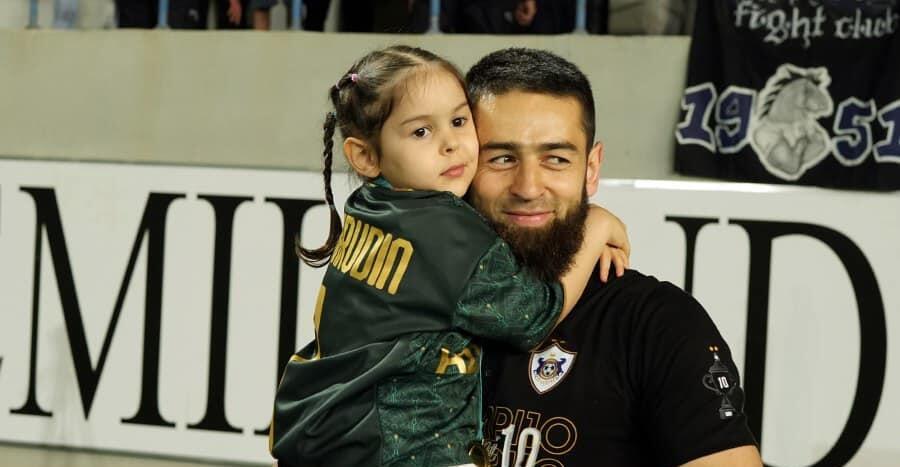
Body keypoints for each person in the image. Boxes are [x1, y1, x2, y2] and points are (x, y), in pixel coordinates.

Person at [268, 45, 630, 467]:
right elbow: (533, 315)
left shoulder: (372, 205)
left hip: (325, 434)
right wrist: (594, 225)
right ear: (365, 156)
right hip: (400, 452)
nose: (451, 145)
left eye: (459, 121)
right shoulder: (443, 229)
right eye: (421, 132)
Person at [464, 48, 763, 466]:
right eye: (501, 158)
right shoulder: (409, 301)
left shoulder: (657, 323)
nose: (528, 187)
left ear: (591, 169)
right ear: (460, 164)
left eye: (556, 159)